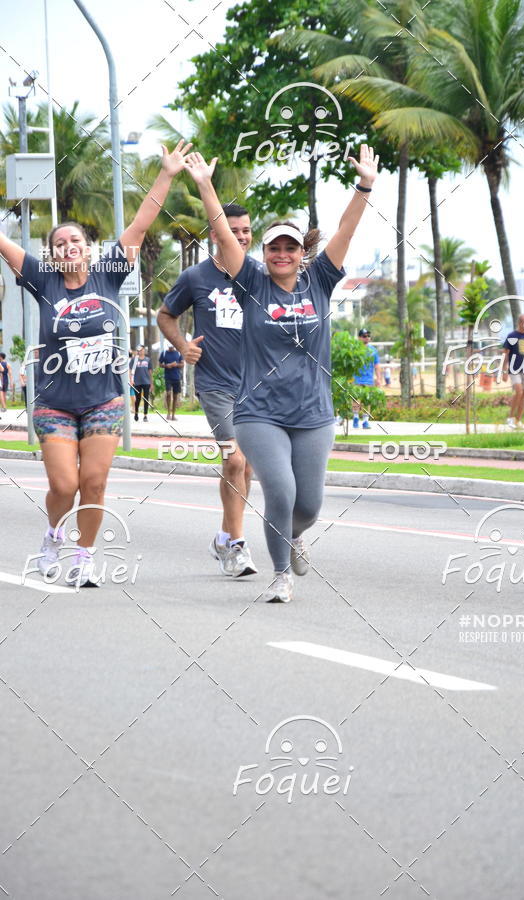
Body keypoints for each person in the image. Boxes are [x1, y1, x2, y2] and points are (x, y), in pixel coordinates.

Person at [186, 144, 379, 602]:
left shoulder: (320, 280)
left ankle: (292, 536)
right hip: (259, 414)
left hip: (313, 413)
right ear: (266, 252)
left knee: (308, 505)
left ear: (300, 252)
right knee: (281, 489)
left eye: (290, 246)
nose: (282, 253)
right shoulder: (250, 281)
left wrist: (365, 184)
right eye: (274, 247)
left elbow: (348, 230)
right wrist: (204, 185)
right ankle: (280, 575)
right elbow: (222, 235)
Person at [0, 140, 192, 586]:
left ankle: (84, 555)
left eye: (75, 240)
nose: (68, 246)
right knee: (65, 485)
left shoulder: (109, 272)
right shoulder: (42, 280)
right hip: (55, 402)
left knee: (96, 484)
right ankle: (53, 535)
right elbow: (4, 245)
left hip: (104, 399)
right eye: (60, 242)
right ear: (51, 253)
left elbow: (142, 224)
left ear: (88, 247)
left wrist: (166, 173)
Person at [157, 203, 257, 578]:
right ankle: (237, 545)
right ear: (216, 234)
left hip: (255, 385)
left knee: (246, 468)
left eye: (246, 230)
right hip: (215, 383)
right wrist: (184, 347)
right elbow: (165, 315)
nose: (241, 236)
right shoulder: (195, 277)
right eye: (233, 230)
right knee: (234, 460)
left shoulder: (259, 276)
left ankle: (223, 536)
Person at [352, 328, 381, 429]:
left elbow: (377, 365)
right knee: (355, 399)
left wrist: (378, 378)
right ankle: (355, 418)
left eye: (368, 336)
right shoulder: (354, 349)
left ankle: (365, 421)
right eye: (364, 336)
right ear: (359, 337)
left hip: (369, 379)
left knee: (367, 400)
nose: (367, 338)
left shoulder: (373, 350)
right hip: (356, 379)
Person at [158, 343, 184, 420]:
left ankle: (173, 415)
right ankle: (168, 412)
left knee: (175, 396)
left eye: (172, 347)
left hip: (176, 377)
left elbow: (182, 364)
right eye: (170, 347)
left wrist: (176, 365)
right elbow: (160, 364)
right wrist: (166, 366)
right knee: (168, 393)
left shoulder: (178, 353)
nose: (171, 349)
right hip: (168, 377)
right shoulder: (164, 353)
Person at [130, 345, 153, 422]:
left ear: (144, 351)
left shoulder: (148, 360)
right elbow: (130, 370)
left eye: (142, 350)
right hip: (137, 382)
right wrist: (131, 379)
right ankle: (136, 413)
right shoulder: (134, 360)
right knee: (138, 399)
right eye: (139, 350)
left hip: (146, 382)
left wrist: (151, 383)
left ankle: (145, 415)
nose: (140, 351)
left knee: (146, 399)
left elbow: (150, 372)